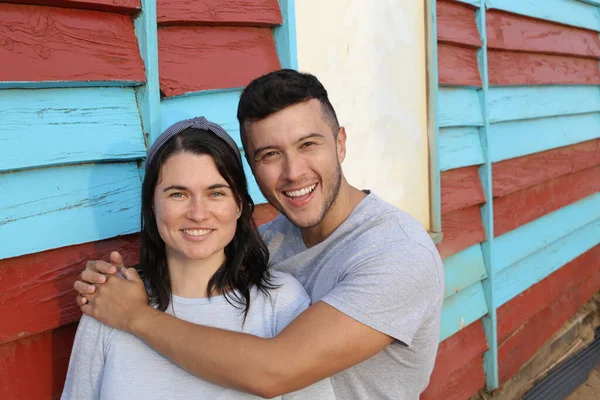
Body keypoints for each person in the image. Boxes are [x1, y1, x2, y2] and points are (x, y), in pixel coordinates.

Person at [74, 70, 445, 399]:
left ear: (341, 143)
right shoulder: (267, 244)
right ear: (252, 169)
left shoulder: (398, 253)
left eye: (308, 144)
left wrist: (134, 316)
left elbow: (275, 371)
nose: (293, 172)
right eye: (270, 154)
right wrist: (108, 284)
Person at [62, 117, 335, 399]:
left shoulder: (280, 302)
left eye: (216, 193)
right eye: (178, 194)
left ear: (239, 205)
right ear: (152, 206)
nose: (198, 213)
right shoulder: (110, 302)